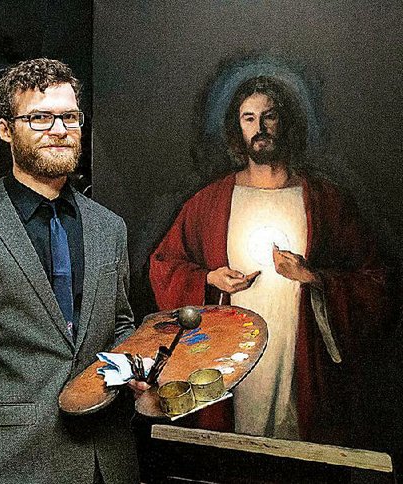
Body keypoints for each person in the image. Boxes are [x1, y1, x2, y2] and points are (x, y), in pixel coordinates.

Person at [0, 58, 146, 484]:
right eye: (39, 118)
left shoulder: (110, 227)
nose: (59, 129)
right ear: (5, 129)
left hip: (107, 462)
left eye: (69, 116)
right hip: (15, 466)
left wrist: (136, 368)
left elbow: (120, 325)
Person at [149, 76, 387, 444]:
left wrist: (314, 277)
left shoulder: (324, 200)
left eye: (269, 116)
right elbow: (165, 265)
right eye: (248, 118)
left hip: (299, 352)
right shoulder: (210, 202)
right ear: (237, 129)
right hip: (233, 349)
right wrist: (211, 279)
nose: (259, 128)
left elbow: (376, 280)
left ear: (284, 122)